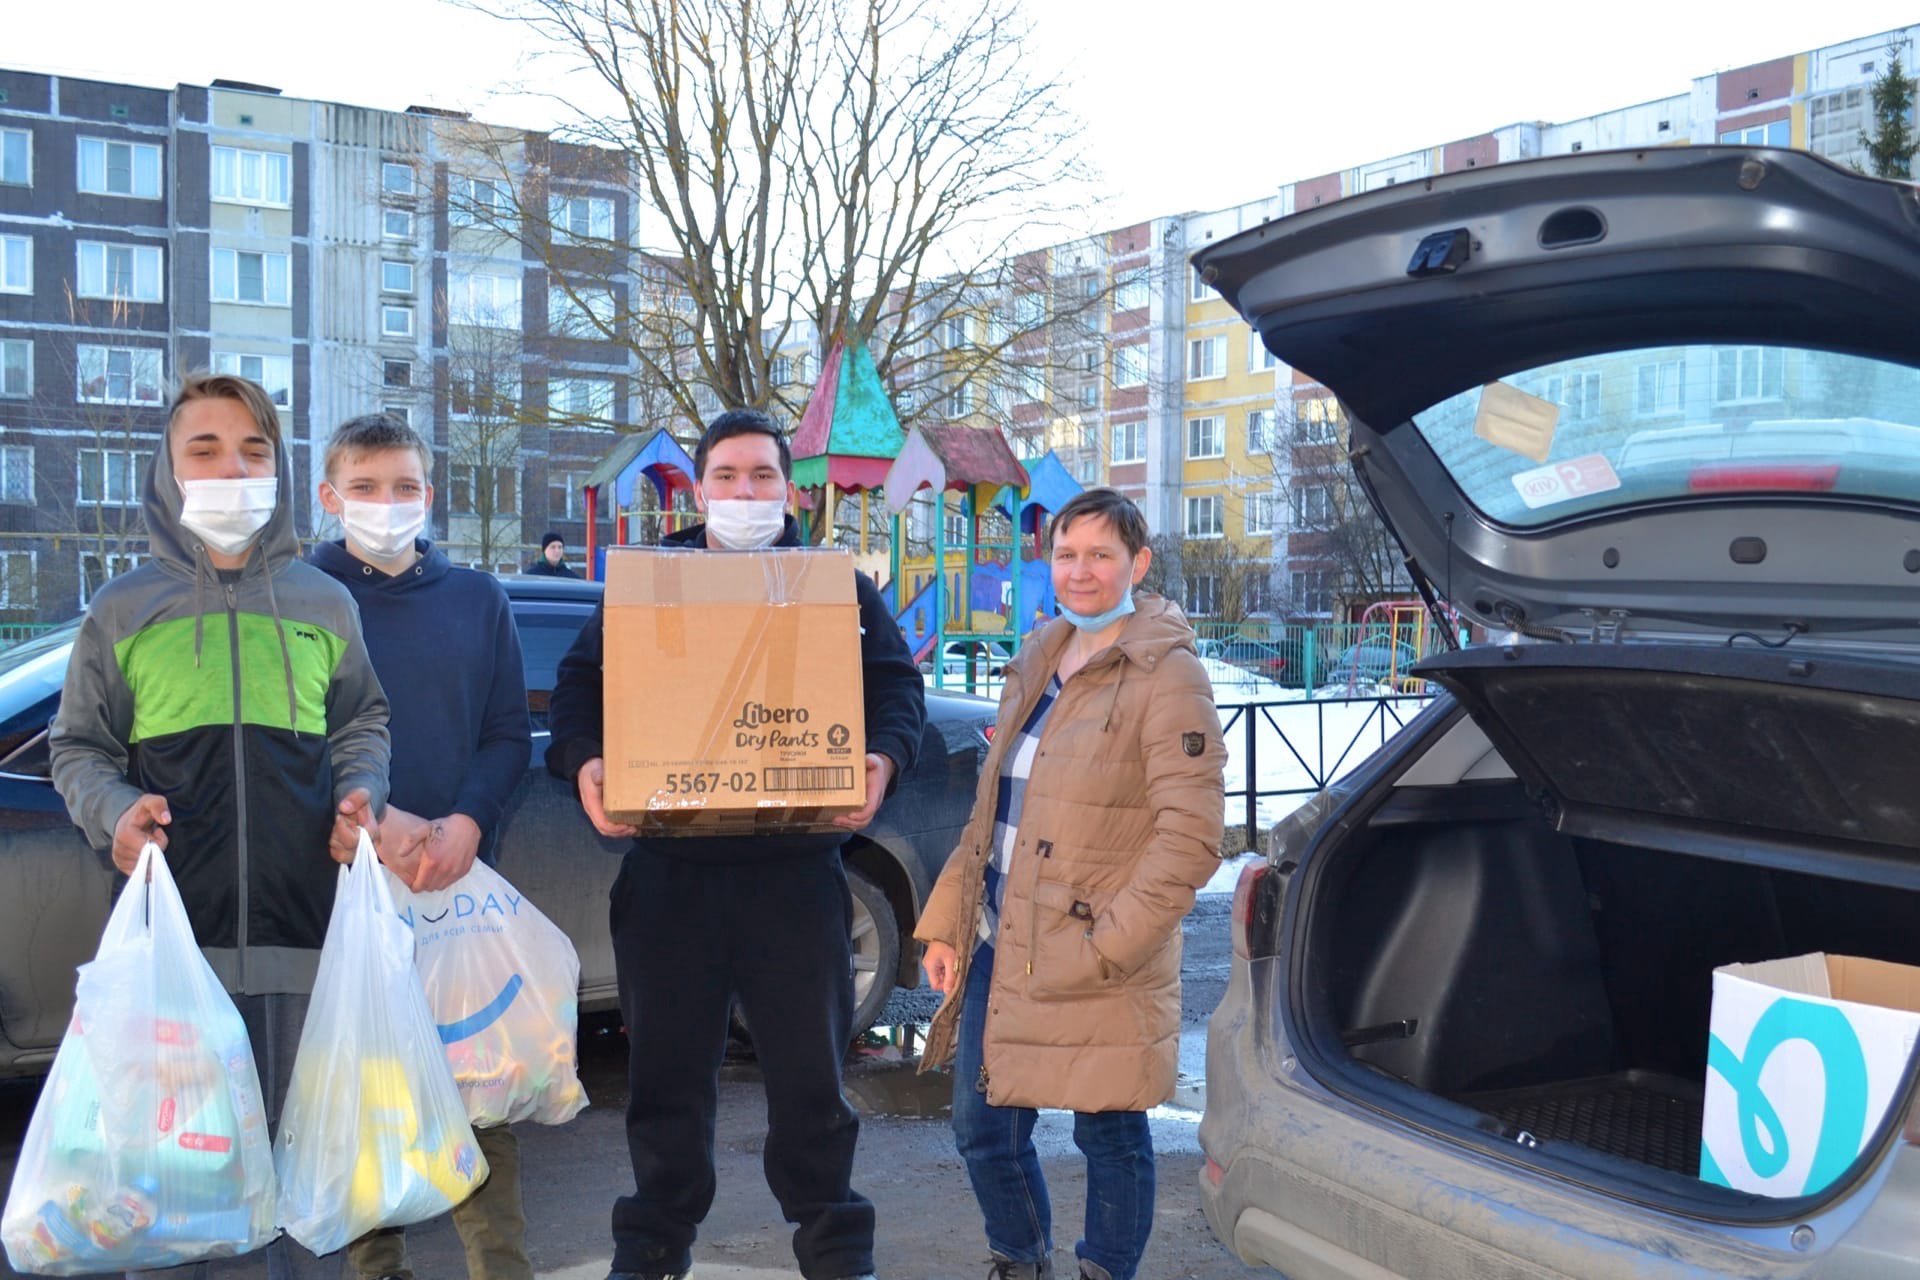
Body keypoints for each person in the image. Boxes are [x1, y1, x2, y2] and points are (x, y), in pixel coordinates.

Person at [545, 409, 926, 1280]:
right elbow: (576, 687)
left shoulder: (833, 586)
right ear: (701, 487)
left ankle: (837, 1254)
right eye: (727, 477)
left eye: (762, 477)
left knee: (813, 1090)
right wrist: (585, 763)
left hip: (794, 878)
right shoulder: (654, 583)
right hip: (670, 877)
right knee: (666, 1088)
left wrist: (883, 758)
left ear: (788, 490)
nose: (745, 493)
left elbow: (896, 689)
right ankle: (649, 1252)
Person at [49, 372, 393, 1280]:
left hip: (303, 948)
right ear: (166, 470)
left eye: (252, 449)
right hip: (172, 956)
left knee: (299, 1196)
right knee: (170, 1205)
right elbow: (77, 746)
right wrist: (112, 813)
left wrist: (363, 794)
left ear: (279, 467)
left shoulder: (325, 603)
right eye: (204, 448)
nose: (229, 466)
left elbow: (364, 721)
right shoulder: (122, 611)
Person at [914, 488, 1227, 1280]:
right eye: (1066, 554)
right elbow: (993, 810)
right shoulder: (1041, 654)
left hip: (1100, 949)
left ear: (1138, 563)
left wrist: (1109, 942)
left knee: (1110, 1134)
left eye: (1100, 555)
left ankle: (1105, 1269)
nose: (1080, 572)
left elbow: (1191, 837)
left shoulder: (1167, 673)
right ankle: (1020, 1259)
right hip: (1002, 935)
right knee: (983, 1128)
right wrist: (951, 921)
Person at [310, 413, 535, 1280]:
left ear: (429, 494)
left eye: (404, 486)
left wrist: (467, 825)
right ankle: (378, 1270)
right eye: (364, 488)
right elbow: (291, 740)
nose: (385, 503)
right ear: (330, 497)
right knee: (370, 1098)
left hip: (456, 882)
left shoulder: (478, 600)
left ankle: (501, 1269)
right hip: (347, 885)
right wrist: (368, 824)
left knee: (481, 1097)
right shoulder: (303, 594)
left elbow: (508, 733)